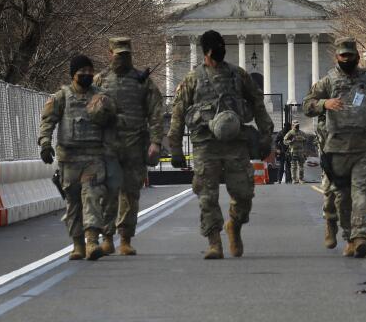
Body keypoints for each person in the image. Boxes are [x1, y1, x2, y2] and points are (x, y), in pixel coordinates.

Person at [168, 29, 274, 259]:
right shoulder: (193, 79)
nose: (219, 51)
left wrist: (267, 135)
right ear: (205, 52)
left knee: (244, 193)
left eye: (221, 45)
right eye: (215, 47)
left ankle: (234, 225)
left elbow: (257, 103)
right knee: (207, 196)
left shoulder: (238, 75)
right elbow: (177, 113)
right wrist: (175, 147)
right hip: (206, 144)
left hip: (236, 143)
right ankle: (214, 241)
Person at [303, 38, 366, 258]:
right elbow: (307, 105)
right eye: (343, 55)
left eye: (350, 55)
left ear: (357, 56)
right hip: (337, 149)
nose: (347, 59)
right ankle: (348, 235)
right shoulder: (327, 82)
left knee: (362, 193)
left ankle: (361, 236)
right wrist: (323, 104)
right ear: (337, 56)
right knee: (341, 198)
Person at [38, 54, 118, 261]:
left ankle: (92, 242)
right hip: (69, 159)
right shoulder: (61, 97)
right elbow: (47, 122)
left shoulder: (101, 96)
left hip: (94, 157)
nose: (88, 75)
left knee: (92, 197)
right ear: (73, 74)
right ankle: (78, 244)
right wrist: (45, 144)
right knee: (73, 203)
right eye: (83, 72)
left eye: (90, 71)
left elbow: (113, 123)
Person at [94, 36, 164, 256]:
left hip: (135, 144)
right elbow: (87, 111)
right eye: (118, 55)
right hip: (108, 145)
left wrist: (155, 141)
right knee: (107, 192)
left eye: (126, 55)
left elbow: (155, 112)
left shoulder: (143, 81)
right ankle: (107, 238)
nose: (122, 59)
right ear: (110, 54)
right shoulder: (100, 81)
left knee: (130, 193)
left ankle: (125, 237)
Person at [316, 113, 345, 248]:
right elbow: (309, 105)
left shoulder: (364, 91)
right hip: (332, 152)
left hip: (358, 148)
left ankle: (356, 236)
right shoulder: (327, 92)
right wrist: (324, 103)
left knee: (359, 193)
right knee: (330, 196)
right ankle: (330, 224)